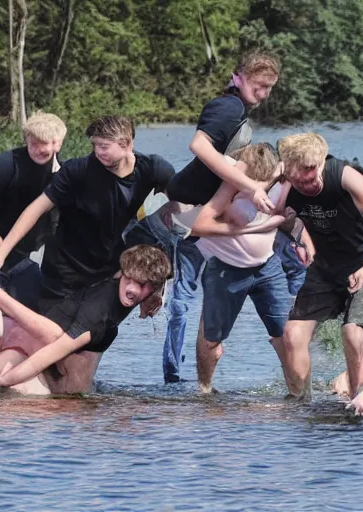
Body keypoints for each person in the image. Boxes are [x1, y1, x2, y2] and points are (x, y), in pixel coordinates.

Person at [125, 51, 282, 383]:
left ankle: (177, 377)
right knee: (165, 297)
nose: (264, 93)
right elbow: (199, 145)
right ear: (238, 77)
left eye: (269, 87)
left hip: (195, 218)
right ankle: (172, 377)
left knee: (179, 299)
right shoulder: (228, 107)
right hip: (178, 215)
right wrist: (250, 186)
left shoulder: (237, 109)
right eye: (259, 85)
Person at [0, 115, 175, 314]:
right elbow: (36, 208)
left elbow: (184, 209)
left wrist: (155, 281)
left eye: (104, 146)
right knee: (52, 333)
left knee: (95, 336)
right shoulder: (78, 170)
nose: (97, 152)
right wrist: (2, 251)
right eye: (95, 145)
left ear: (126, 144)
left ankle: (152, 290)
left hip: (111, 271)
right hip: (64, 271)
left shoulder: (152, 168)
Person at [0, 245, 171, 394]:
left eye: (144, 287)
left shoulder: (127, 277)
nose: (134, 290)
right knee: (65, 392)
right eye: (132, 281)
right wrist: (5, 381)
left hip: (47, 334)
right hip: (42, 343)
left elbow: (155, 268)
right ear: (124, 272)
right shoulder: (98, 314)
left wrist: (155, 295)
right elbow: (52, 352)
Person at [274, 133, 363, 399]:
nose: (304, 187)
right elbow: (278, 215)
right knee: (292, 335)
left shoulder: (344, 175)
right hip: (325, 269)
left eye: (307, 179)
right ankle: (301, 403)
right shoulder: (287, 182)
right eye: (296, 182)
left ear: (317, 165)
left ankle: (358, 398)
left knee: (351, 333)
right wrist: (300, 237)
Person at [189, 144, 311, 393]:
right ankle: (204, 391)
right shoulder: (232, 184)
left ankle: (298, 395)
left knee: (287, 336)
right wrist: (248, 229)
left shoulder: (283, 178)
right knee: (212, 340)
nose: (260, 186)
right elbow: (198, 225)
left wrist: (302, 238)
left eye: (264, 181)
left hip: (267, 266)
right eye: (254, 181)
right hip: (226, 267)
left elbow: (288, 214)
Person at [0, 112, 66, 311]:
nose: (38, 149)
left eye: (43, 143)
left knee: (38, 312)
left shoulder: (62, 172)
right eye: (33, 143)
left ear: (57, 143)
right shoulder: (4, 165)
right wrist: (2, 249)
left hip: (22, 257)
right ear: (26, 139)